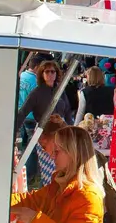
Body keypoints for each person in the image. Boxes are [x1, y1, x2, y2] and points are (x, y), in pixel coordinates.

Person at [17, 60, 75, 189]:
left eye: (53, 71)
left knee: (61, 167)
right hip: (44, 134)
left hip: (61, 133)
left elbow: (68, 112)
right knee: (48, 172)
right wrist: (12, 131)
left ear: (57, 73)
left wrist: (72, 130)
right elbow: (23, 112)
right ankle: (46, 196)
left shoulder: (60, 91)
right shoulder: (37, 92)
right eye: (47, 71)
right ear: (41, 74)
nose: (50, 74)